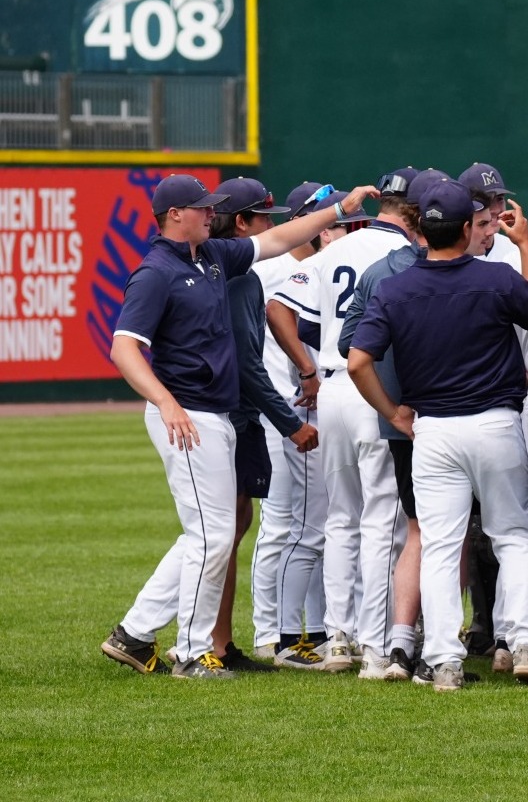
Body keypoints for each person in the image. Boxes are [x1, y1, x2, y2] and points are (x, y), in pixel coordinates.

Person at [101, 174, 375, 679]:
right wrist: (165, 403)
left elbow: (277, 239)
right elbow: (123, 347)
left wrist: (340, 212)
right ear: (174, 214)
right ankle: (190, 653)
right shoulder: (156, 271)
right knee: (212, 534)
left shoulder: (210, 257)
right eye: (202, 208)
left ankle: (135, 633)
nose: (212, 214)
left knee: (206, 534)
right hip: (185, 414)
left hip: (213, 414)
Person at [348, 180, 528, 691]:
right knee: (513, 536)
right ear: (466, 228)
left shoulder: (395, 288)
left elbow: (357, 362)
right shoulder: (496, 278)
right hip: (495, 423)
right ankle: (523, 643)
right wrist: (526, 243)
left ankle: (443, 661)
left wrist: (392, 413)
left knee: (439, 545)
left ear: (420, 226)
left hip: (433, 431)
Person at [267, 172, 413, 679]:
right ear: (412, 212)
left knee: (340, 520)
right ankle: (375, 646)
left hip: (331, 387)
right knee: (381, 522)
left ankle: (337, 639)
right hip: (376, 388)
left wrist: (308, 369)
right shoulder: (403, 255)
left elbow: (278, 307)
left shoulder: (335, 249)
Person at [336, 169, 461, 681]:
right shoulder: (460, 270)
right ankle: (414, 649)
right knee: (436, 533)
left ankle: (391, 648)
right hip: (442, 417)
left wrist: (390, 399)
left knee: (413, 531)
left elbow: (350, 344)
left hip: (402, 420)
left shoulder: (383, 272)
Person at [206, 177, 320, 673]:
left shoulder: (233, 273)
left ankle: (222, 641)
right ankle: (207, 641)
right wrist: (288, 423)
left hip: (236, 413)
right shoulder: (238, 277)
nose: (269, 228)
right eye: (262, 218)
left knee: (234, 526)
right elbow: (247, 365)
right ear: (242, 222)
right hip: (233, 414)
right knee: (220, 533)